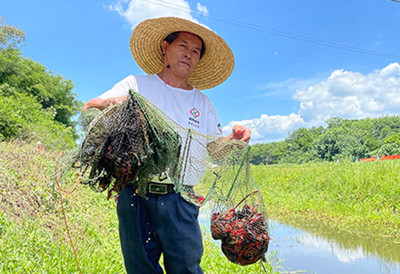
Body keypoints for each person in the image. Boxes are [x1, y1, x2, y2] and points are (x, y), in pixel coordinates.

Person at [82, 17, 251, 274]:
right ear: (165, 47)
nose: (189, 54)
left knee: (186, 268)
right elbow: (90, 107)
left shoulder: (202, 102)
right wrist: (112, 103)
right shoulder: (136, 85)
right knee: (140, 269)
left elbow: (214, 148)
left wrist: (234, 140)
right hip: (135, 197)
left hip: (181, 200)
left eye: (196, 51)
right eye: (183, 46)